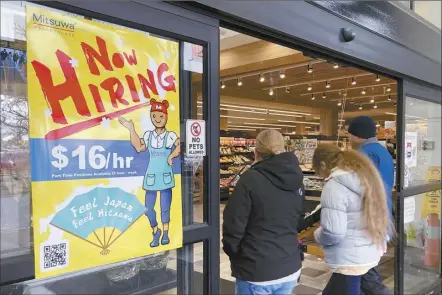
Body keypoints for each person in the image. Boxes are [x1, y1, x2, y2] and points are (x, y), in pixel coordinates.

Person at [223, 129, 305, 295]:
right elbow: (298, 220)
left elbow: (234, 225)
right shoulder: (296, 178)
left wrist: (237, 255)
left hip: (256, 269)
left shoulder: (250, 180)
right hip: (289, 265)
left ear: (256, 152)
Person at [313, 144, 391, 295]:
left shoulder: (334, 186)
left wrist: (318, 235)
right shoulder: (364, 176)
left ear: (323, 165)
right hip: (370, 250)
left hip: (349, 259)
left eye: (318, 172)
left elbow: (333, 232)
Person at [119, 99, 180, 247]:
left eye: (161, 116)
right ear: (151, 117)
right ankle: (155, 231)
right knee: (148, 208)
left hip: (165, 176)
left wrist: (171, 156)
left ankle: (165, 234)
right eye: (154, 116)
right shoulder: (148, 135)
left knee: (165, 208)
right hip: (151, 176)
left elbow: (180, 145)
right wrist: (131, 129)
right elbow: (139, 147)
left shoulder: (171, 135)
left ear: (166, 117)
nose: (158, 120)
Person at [347, 116, 395, 295]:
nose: (349, 139)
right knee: (365, 272)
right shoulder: (383, 152)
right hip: (381, 218)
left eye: (350, 135)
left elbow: (354, 188)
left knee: (366, 276)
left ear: (358, 135)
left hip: (366, 220)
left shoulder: (364, 154)